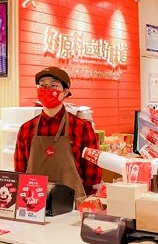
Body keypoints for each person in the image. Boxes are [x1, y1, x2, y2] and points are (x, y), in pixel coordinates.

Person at [14, 67, 100, 201]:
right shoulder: (26, 129)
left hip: (72, 203)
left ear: (65, 92)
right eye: (42, 85)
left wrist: (84, 199)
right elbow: (20, 171)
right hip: (34, 203)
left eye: (53, 85)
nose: (47, 89)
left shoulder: (82, 127)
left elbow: (92, 172)